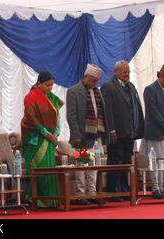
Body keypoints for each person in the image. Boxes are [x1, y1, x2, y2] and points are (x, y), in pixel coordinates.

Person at [101, 60, 144, 201]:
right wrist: (111, 130)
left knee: (126, 160)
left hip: (129, 131)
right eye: (125, 72)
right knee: (115, 160)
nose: (127, 74)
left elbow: (135, 107)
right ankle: (113, 191)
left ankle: (125, 190)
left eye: (128, 71)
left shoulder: (130, 86)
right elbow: (108, 111)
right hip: (116, 132)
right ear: (116, 72)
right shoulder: (108, 86)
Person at [66, 64, 109, 205]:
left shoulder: (97, 91)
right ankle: (80, 195)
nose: (95, 83)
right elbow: (71, 116)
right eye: (92, 80)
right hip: (81, 137)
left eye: (96, 81)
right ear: (85, 77)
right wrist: (77, 135)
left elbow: (102, 113)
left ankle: (92, 193)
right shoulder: (73, 91)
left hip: (96, 136)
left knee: (94, 166)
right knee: (81, 167)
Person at [21, 71, 64, 208]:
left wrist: (56, 133)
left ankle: (50, 200)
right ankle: (36, 200)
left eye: (51, 85)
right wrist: (47, 134)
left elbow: (57, 117)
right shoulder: (30, 98)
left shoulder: (52, 98)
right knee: (37, 170)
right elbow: (32, 120)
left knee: (49, 170)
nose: (50, 88)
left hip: (50, 140)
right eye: (47, 85)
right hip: (35, 140)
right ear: (39, 84)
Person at [139, 65, 164, 198]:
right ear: (161, 76)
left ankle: (163, 188)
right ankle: (155, 189)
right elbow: (153, 111)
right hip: (155, 131)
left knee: (163, 160)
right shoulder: (150, 89)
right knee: (153, 161)